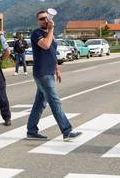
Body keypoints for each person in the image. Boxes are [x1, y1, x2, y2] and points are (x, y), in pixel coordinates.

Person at [26, 11, 82, 141]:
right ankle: (66, 131)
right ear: (38, 21)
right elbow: (45, 45)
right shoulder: (37, 33)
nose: (44, 20)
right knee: (55, 101)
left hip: (49, 72)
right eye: (41, 19)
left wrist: (57, 69)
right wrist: (51, 29)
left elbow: (52, 52)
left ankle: (31, 131)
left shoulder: (50, 34)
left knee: (39, 104)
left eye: (47, 18)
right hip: (42, 73)